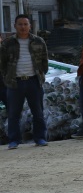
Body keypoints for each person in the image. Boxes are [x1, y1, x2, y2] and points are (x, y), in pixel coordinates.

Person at [0, 14, 49, 149]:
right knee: (13, 113)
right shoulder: (8, 43)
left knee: (38, 112)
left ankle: (40, 138)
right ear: (15, 26)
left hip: (34, 81)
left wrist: (40, 75)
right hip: (15, 83)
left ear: (30, 26)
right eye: (20, 24)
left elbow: (44, 61)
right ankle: (14, 140)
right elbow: (2, 63)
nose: (23, 27)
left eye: (25, 24)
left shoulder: (38, 41)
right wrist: (7, 77)